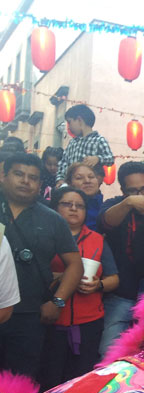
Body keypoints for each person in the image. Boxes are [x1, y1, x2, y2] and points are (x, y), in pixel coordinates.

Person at [0, 152, 83, 378]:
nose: (26, 181)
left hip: (30, 316)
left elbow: (75, 265)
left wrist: (57, 302)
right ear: (3, 175)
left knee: (21, 382)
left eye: (33, 177)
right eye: (19, 174)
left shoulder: (52, 219)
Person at [39, 186, 119, 388]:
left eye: (80, 206)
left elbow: (114, 278)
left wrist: (98, 284)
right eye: (67, 204)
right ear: (55, 207)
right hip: (51, 320)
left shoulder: (98, 239)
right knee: (50, 378)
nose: (74, 209)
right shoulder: (43, 236)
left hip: (88, 323)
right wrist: (60, 277)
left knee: (81, 380)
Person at [96, 162, 144, 355]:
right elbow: (105, 222)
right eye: (133, 192)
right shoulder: (116, 206)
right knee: (109, 354)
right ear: (123, 191)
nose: (140, 196)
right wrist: (128, 203)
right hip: (121, 296)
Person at [55, 104, 115, 184]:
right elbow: (63, 162)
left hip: (89, 186)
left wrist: (98, 158)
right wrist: (60, 179)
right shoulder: (72, 143)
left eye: (70, 122)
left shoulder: (98, 140)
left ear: (79, 120)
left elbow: (110, 158)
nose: (69, 127)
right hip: (72, 186)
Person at [65, 162, 104, 230]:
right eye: (79, 178)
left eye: (91, 177)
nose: (87, 181)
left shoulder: (107, 208)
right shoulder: (65, 210)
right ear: (70, 184)